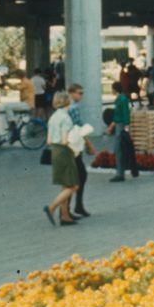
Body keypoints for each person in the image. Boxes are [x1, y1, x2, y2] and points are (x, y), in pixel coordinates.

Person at [42, 91, 81, 227]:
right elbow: (65, 140)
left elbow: (48, 140)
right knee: (74, 185)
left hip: (54, 151)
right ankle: (51, 207)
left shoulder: (53, 117)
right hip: (64, 152)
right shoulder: (66, 118)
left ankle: (65, 216)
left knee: (65, 185)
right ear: (67, 102)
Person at [66, 84, 95, 218]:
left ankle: (75, 206)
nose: (81, 96)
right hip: (74, 146)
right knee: (79, 176)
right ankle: (71, 207)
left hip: (70, 145)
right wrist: (89, 144)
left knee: (77, 176)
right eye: (79, 93)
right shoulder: (73, 108)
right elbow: (79, 127)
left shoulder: (67, 106)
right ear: (71, 93)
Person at [105, 81, 139, 181]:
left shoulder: (122, 99)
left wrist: (126, 128)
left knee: (119, 149)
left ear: (115, 89)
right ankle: (120, 172)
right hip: (120, 125)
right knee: (119, 149)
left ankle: (120, 174)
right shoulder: (121, 99)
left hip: (121, 126)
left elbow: (124, 114)